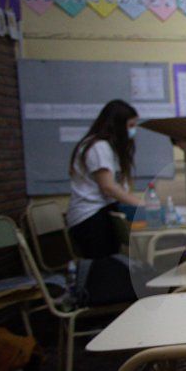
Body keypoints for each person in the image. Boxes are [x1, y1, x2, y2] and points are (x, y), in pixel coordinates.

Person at [66, 99, 143, 259]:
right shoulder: (98, 147)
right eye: (130, 126)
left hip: (99, 214)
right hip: (90, 217)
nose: (133, 131)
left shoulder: (105, 146)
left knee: (110, 262)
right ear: (117, 125)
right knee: (102, 266)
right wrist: (140, 204)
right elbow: (108, 186)